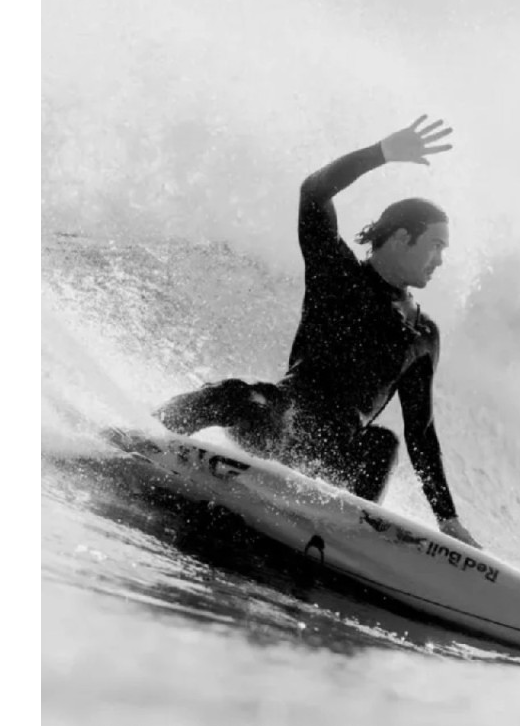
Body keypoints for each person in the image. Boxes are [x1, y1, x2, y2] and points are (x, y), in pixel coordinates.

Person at [154, 115, 481, 549]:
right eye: (436, 246)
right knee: (237, 394)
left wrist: (447, 519)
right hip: (281, 421)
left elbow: (421, 433)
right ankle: (145, 433)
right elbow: (314, 191)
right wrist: (382, 153)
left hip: (336, 455)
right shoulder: (337, 273)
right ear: (403, 237)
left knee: (383, 444)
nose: (440, 260)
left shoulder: (422, 334)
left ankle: (343, 540)